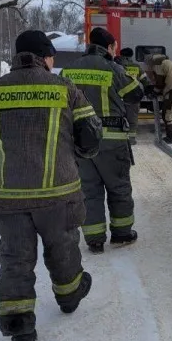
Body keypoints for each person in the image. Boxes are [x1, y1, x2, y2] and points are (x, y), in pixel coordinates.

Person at [0, 29, 103, 341]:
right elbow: (91, 135)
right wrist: (77, 156)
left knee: (15, 259)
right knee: (63, 247)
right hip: (59, 195)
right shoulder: (64, 89)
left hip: (9, 200)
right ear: (44, 56)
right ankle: (69, 296)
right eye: (52, 56)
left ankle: (19, 327)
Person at [60, 27, 143, 254]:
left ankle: (94, 239)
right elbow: (136, 94)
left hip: (81, 142)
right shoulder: (113, 68)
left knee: (89, 191)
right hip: (112, 140)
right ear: (108, 47)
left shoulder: (69, 70)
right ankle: (122, 234)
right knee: (118, 188)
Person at [147, 53, 172, 144]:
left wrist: (154, 92)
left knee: (167, 114)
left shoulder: (158, 64)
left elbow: (160, 83)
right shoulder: (167, 61)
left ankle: (170, 138)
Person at [116, 48, 149, 145]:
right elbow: (145, 81)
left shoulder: (117, 65)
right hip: (133, 97)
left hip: (119, 96)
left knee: (118, 118)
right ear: (131, 56)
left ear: (121, 54)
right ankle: (131, 139)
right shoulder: (137, 67)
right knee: (132, 119)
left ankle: (120, 139)